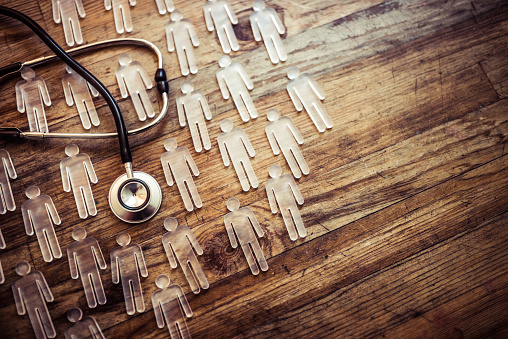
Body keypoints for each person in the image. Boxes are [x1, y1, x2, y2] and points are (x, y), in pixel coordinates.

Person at [161, 217, 209, 293]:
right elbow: (168, 251)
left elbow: (192, 239)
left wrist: (198, 249)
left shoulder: (183, 229)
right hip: (180, 256)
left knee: (196, 268)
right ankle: (195, 288)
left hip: (189, 252)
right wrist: (173, 262)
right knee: (188, 272)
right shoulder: (166, 237)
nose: (171, 225)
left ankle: (203, 284)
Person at [224, 197, 268, 275]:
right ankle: (255, 269)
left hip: (250, 235)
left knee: (256, 250)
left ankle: (262, 265)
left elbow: (254, 221)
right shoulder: (228, 217)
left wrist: (259, 232)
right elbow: (230, 231)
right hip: (242, 238)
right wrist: (233, 242)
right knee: (249, 253)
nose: (233, 205)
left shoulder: (245, 210)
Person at [12, 261, 56, 339]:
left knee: (39, 317)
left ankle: (49, 333)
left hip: (36, 300)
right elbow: (17, 297)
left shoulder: (33, 276)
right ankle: (49, 333)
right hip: (32, 301)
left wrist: (21, 310)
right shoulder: (19, 282)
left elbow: (43, 285)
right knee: (39, 317)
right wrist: (48, 297)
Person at [67, 227, 107, 308]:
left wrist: (102, 264)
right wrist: (101, 264)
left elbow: (97, 252)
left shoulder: (90, 241)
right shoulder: (72, 247)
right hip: (86, 268)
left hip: (89, 267)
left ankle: (98, 299)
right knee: (91, 283)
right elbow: (72, 261)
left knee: (93, 283)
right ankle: (96, 300)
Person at [265, 164, 307, 240]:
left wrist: (299, 199)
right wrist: (299, 199)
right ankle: (296, 233)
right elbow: (271, 197)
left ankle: (298, 233)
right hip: (285, 203)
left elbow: (294, 189)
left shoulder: (286, 178)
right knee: (290, 218)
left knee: (291, 218)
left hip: (287, 203)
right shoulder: (271, 183)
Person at [110, 232, 148, 315]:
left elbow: (140, 259)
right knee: (129, 290)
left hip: (131, 273)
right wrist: (115, 278)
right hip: (126, 274)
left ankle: (138, 306)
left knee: (134, 289)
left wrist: (143, 271)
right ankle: (133, 308)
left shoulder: (134, 248)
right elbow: (114, 266)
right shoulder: (117, 252)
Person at [21, 186, 62, 262]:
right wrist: (56, 220)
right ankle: (53, 254)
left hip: (42, 224)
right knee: (49, 237)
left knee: (44, 239)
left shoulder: (28, 204)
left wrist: (29, 230)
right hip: (44, 224)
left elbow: (27, 219)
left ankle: (51, 254)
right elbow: (26, 218)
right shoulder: (27, 204)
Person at [265, 108, 309, 178]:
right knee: (290, 159)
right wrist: (275, 149)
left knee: (298, 156)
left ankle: (304, 169)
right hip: (283, 145)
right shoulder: (269, 127)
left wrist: (299, 139)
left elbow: (293, 129)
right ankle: (297, 173)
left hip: (290, 141)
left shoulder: (285, 120)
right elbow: (271, 139)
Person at [286, 66, 333, 132]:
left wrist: (321, 95)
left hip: (312, 98)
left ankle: (327, 123)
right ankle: (321, 126)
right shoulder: (291, 85)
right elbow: (293, 96)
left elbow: (314, 86)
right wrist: (298, 106)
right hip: (306, 101)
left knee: (319, 110)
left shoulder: (305, 77)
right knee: (313, 113)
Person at [160, 138, 202, 211]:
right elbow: (166, 169)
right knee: (187, 189)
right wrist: (195, 171)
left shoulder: (180, 151)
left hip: (181, 174)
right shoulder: (167, 156)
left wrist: (170, 180)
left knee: (186, 190)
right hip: (181, 174)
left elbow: (190, 160)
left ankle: (195, 204)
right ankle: (194, 204)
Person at [217, 119, 258, 191]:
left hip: (242, 154)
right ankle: (245, 185)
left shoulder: (238, 131)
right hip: (234, 157)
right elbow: (223, 150)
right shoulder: (221, 137)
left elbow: (246, 141)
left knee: (248, 168)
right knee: (240, 171)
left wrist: (251, 152)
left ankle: (253, 182)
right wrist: (226, 161)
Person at [60, 144, 98, 219]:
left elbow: (65, 177)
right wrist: (93, 179)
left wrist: (67, 187)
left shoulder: (65, 162)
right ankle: (91, 210)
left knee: (79, 197)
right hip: (82, 181)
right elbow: (89, 168)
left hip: (78, 182)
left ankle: (86, 212)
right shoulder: (82, 157)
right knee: (87, 195)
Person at [216, 55, 258, 122]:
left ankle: (253, 113)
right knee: (239, 103)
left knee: (247, 99)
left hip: (241, 86)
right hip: (233, 90)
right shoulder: (220, 73)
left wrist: (249, 84)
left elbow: (243, 75)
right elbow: (222, 84)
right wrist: (225, 93)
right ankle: (245, 116)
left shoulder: (236, 66)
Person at [115, 54, 155, 121]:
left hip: (139, 86)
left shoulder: (136, 65)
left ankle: (149, 112)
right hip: (132, 89)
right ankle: (142, 115)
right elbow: (121, 82)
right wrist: (124, 92)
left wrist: (148, 84)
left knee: (144, 99)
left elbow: (143, 74)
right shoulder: (120, 71)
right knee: (137, 102)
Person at [151, 274, 193, 339]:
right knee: (181, 328)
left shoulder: (157, 295)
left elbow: (183, 300)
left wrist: (160, 322)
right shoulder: (175, 288)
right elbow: (183, 301)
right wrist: (188, 312)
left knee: (176, 330)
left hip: (173, 315)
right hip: (173, 315)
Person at [176, 80, 212, 152]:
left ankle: (206, 144)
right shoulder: (181, 99)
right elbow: (180, 111)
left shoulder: (197, 95)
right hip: (190, 118)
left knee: (203, 129)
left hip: (199, 115)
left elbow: (204, 104)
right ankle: (198, 145)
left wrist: (207, 114)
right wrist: (182, 121)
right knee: (194, 132)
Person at [15, 67, 51, 133]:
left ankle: (44, 131)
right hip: (29, 104)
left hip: (38, 102)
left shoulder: (38, 81)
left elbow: (44, 91)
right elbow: (19, 97)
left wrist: (47, 100)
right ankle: (35, 132)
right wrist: (21, 107)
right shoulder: (21, 85)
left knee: (41, 116)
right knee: (32, 119)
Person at [166, 10, 200, 76]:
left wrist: (195, 41)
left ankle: (192, 67)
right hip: (178, 43)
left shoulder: (186, 23)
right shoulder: (170, 26)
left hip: (186, 41)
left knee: (189, 54)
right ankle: (184, 69)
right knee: (181, 56)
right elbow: (169, 37)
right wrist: (171, 46)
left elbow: (191, 31)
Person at [0, 148, 17, 214]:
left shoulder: (2, 152)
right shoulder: (2, 152)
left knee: (6, 190)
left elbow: (9, 165)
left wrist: (12, 174)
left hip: (3, 177)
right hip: (3, 177)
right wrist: (12, 174)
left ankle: (9, 206)